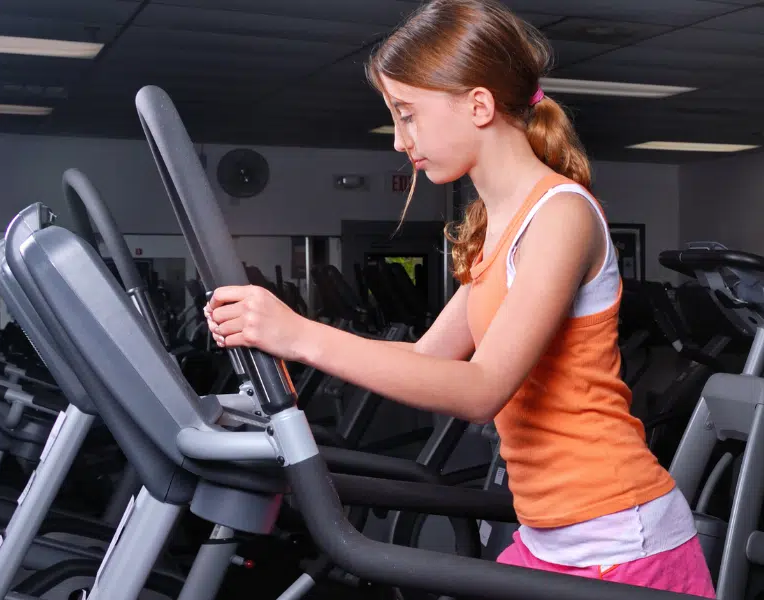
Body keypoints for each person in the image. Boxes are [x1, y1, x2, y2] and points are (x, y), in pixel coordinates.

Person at [205, 0, 715, 596]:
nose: (399, 141)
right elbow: (429, 360)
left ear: (478, 104)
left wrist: (299, 334)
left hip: (620, 543)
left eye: (408, 115)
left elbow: (480, 390)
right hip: (547, 538)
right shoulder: (493, 225)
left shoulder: (562, 215)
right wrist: (291, 347)